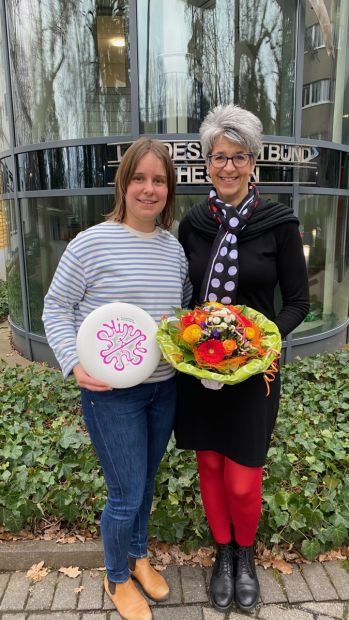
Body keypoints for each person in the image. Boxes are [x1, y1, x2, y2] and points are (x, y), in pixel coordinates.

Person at [43, 137, 192, 620]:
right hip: (111, 395)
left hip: (163, 387)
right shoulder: (90, 242)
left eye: (159, 180)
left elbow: (178, 314)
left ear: (169, 190)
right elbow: (56, 306)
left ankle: (140, 555)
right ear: (123, 183)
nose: (149, 189)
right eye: (139, 178)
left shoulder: (174, 250)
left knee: (145, 482)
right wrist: (73, 362)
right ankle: (117, 576)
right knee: (125, 492)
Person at [175, 105, 309, 613]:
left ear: (253, 162)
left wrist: (262, 340)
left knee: (242, 474)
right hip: (201, 368)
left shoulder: (279, 223)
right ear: (207, 162)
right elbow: (187, 296)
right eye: (218, 157)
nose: (227, 167)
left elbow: (298, 302)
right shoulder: (193, 224)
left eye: (238, 157)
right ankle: (223, 556)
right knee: (209, 463)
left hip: (256, 371)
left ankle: (246, 556)